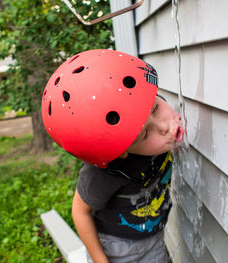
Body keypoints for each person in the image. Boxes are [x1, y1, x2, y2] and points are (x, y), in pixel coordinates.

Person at [41, 49, 183, 263]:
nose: (164, 126)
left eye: (155, 108)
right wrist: (101, 260)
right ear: (121, 151)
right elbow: (80, 212)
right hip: (118, 249)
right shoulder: (107, 171)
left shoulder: (141, 105)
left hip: (153, 233)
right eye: (145, 133)